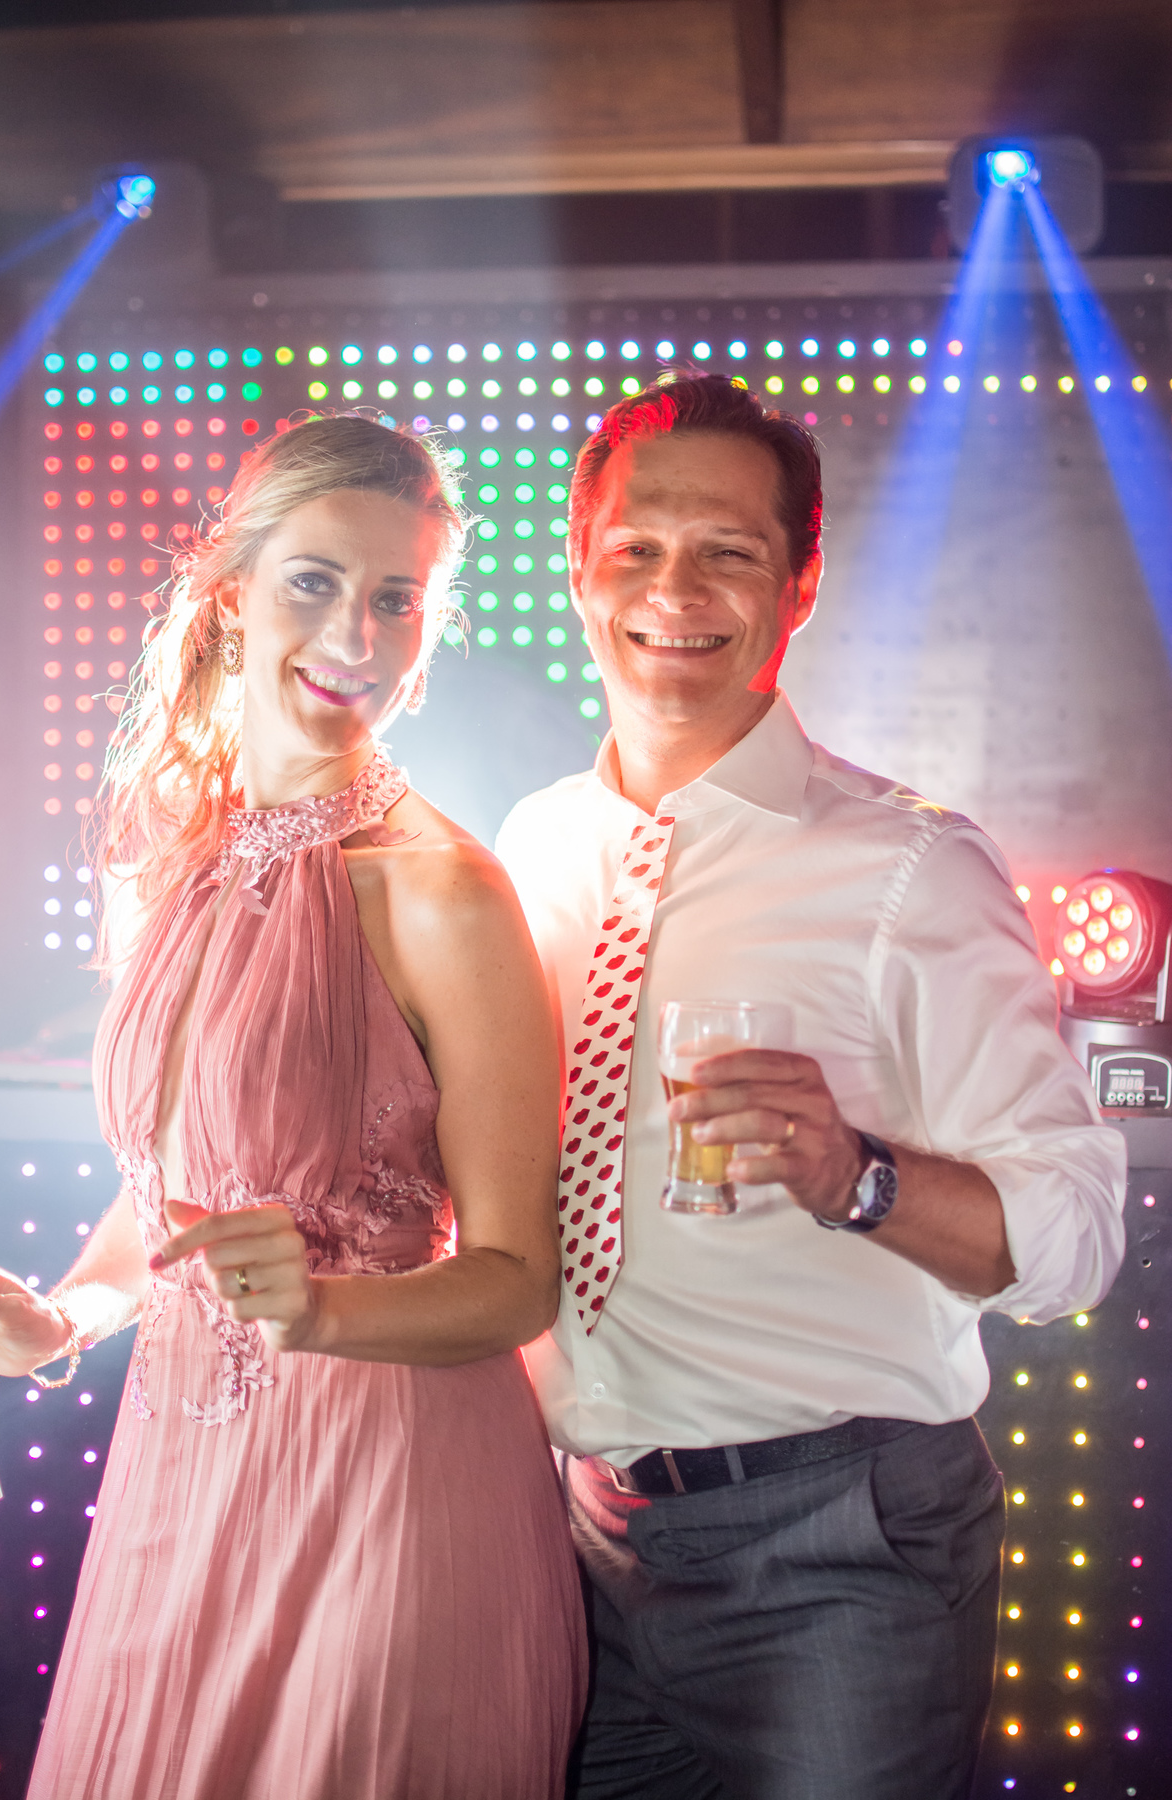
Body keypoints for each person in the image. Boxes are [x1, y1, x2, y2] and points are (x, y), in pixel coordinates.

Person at [495, 371, 1127, 1800]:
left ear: (801, 584)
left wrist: (859, 1177)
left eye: (729, 550)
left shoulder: (911, 866)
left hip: (835, 1550)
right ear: (581, 574)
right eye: (638, 548)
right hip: (579, 1543)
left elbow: (1078, 1237)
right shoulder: (528, 851)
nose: (676, 590)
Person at [0, 414, 586, 1799]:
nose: (358, 635)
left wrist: (318, 1310)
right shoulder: (169, 860)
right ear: (230, 589)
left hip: (389, 1494)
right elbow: (176, 1201)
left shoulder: (444, 890)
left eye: (397, 599)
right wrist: (63, 1319)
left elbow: (516, 1280)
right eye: (315, 581)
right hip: (179, 1490)